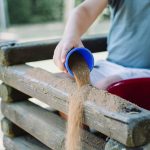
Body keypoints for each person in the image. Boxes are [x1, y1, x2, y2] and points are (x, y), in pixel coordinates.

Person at [53, 0, 150, 89]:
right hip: (109, 66)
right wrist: (71, 35)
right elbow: (86, 10)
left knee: (106, 86)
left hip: (146, 72)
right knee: (56, 80)